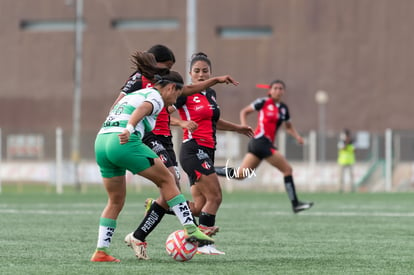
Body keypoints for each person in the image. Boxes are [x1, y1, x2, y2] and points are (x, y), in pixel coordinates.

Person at [90, 53, 214, 262]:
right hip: (123, 141)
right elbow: (143, 109)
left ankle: (101, 251)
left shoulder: (135, 94)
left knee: (115, 200)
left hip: (101, 142)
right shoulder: (155, 96)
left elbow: (123, 109)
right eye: (176, 95)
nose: (174, 102)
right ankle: (191, 228)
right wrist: (129, 129)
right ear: (170, 88)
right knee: (168, 179)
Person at [172, 52, 254, 255]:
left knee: (199, 207)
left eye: (205, 71)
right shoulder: (184, 94)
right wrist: (181, 122)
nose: (201, 75)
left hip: (207, 151)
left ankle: (158, 207)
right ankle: (205, 245)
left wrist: (238, 128)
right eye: (197, 71)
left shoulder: (210, 95)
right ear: (190, 74)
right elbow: (161, 114)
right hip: (193, 149)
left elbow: (214, 121)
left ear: (210, 73)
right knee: (216, 197)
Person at [215, 80, 314, 213]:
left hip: (261, 144)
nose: (278, 91)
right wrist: (244, 126)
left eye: (281, 88)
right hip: (261, 142)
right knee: (287, 170)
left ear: (283, 91)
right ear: (270, 91)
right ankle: (295, 204)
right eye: (275, 88)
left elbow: (289, 127)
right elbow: (244, 111)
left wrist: (297, 137)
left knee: (240, 174)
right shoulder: (263, 102)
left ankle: (210, 170)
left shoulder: (284, 108)